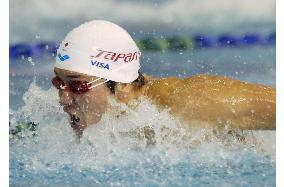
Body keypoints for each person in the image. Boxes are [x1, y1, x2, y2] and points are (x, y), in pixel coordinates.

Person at [53, 20, 275, 138]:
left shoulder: (189, 102)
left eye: (77, 85)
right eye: (59, 83)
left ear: (120, 83)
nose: (64, 99)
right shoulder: (115, 122)